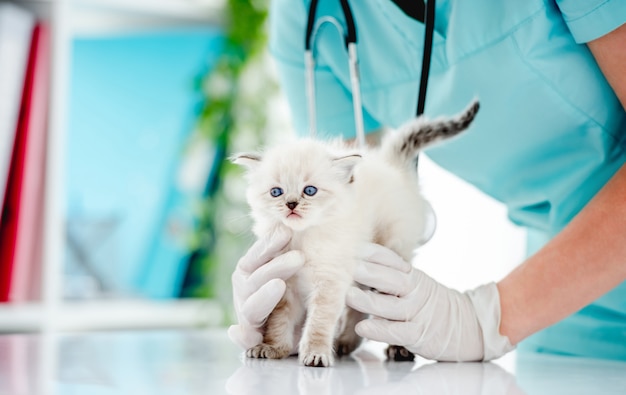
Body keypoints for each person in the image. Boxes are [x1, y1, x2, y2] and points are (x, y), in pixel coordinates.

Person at [228, 0, 626, 361]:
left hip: (536, 299)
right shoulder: (308, 13)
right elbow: (352, 204)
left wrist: (489, 319)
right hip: (565, 318)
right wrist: (300, 304)